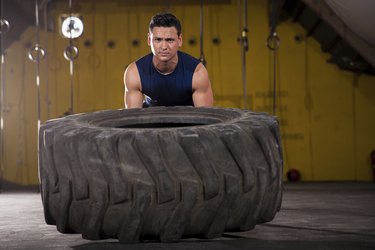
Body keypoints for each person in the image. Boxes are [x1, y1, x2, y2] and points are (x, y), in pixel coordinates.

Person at [123, 12, 214, 108]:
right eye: (158, 40)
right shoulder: (134, 72)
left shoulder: (197, 72)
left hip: (188, 120)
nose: (164, 47)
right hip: (151, 119)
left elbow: (205, 118)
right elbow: (134, 119)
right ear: (149, 40)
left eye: (169, 40)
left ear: (180, 40)